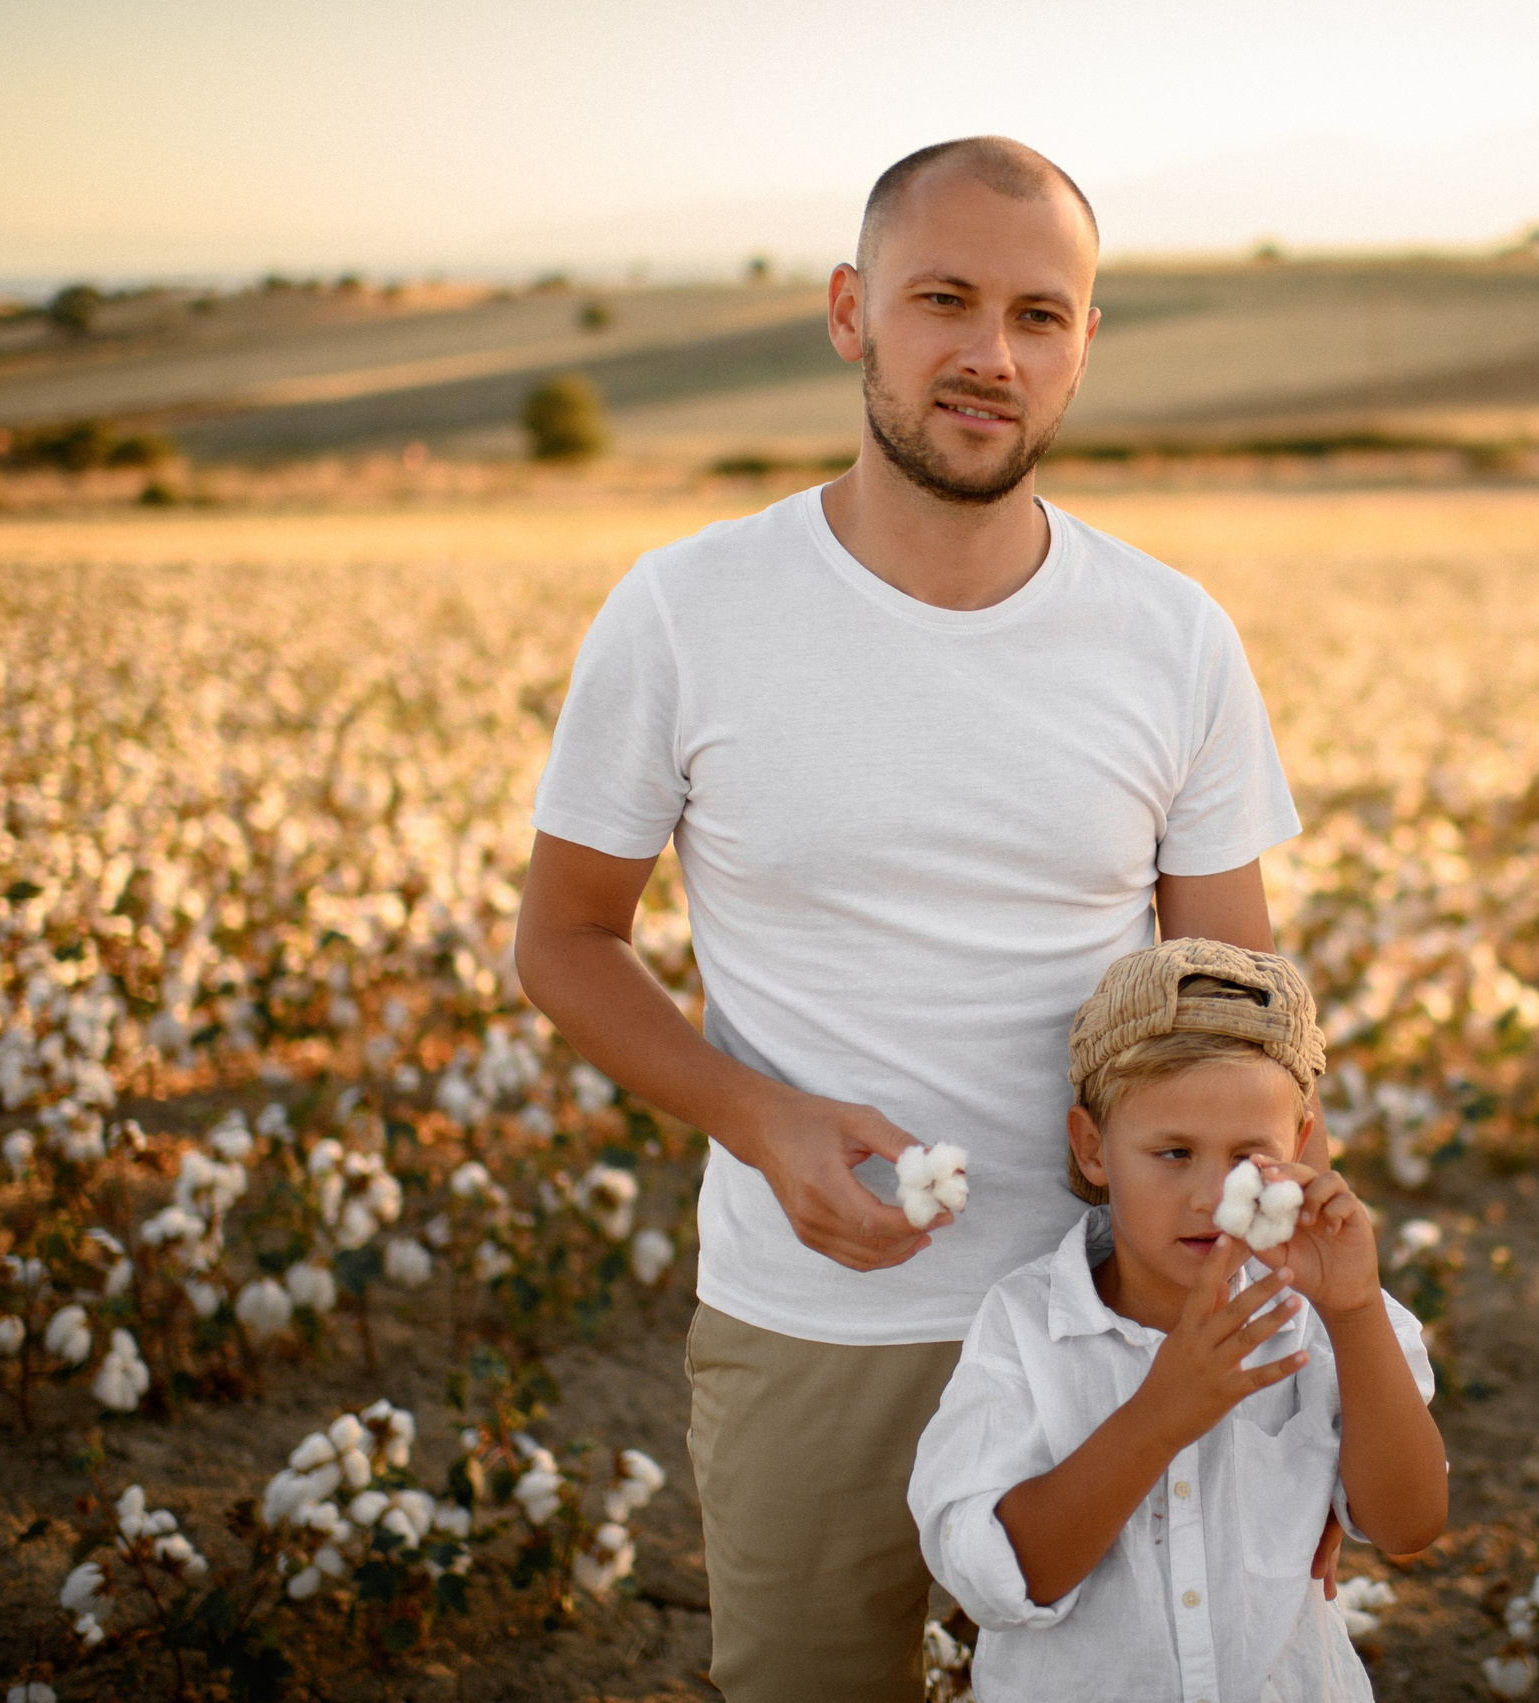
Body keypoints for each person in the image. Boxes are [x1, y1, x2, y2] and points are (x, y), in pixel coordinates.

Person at [513, 137, 1313, 1703]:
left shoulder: (1173, 633)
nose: (988, 354)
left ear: (1085, 343)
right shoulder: (687, 609)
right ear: (849, 312)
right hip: (816, 1324)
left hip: (1115, 1315)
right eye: (942, 299)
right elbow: (564, 939)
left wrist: (1311, 1391)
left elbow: (1247, 1020)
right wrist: (762, 1120)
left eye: (1039, 314)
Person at [910, 938, 1446, 1701]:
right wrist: (1159, 1416)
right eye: (1172, 1152)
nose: (1209, 1194)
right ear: (1093, 1149)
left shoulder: (1326, 1318)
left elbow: (1409, 1523)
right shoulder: (1027, 1327)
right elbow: (1001, 1576)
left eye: (1246, 1156)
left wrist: (1356, 1310)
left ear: (1298, 1149)